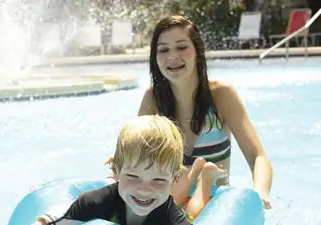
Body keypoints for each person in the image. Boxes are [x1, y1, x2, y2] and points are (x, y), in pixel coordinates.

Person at [138, 15, 273, 217]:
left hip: (217, 211)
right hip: (170, 208)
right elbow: (134, 160)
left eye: (181, 47)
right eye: (163, 50)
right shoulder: (153, 100)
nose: (172, 56)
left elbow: (257, 156)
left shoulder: (221, 96)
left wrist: (259, 195)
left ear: (198, 53)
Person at [32, 115, 192, 225]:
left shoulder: (169, 215)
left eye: (158, 179)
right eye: (133, 176)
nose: (144, 189)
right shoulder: (97, 203)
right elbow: (61, 219)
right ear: (116, 170)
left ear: (175, 178)